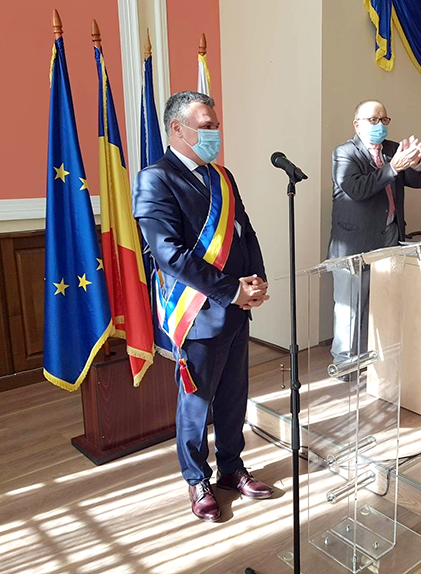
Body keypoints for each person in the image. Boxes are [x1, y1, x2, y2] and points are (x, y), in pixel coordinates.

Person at [132, 91, 272, 522]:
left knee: (233, 397)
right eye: (206, 127)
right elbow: (169, 254)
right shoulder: (155, 179)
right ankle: (196, 479)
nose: (215, 134)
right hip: (195, 312)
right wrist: (231, 290)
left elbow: (245, 232)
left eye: (215, 126)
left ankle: (231, 467)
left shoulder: (222, 177)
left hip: (236, 309)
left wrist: (256, 281)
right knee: (196, 403)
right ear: (178, 129)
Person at [328, 100, 421, 364]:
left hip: (390, 234)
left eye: (384, 120)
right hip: (354, 240)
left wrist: (415, 162)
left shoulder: (393, 149)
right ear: (357, 124)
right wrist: (393, 168)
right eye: (373, 120)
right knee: (350, 306)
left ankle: (377, 360)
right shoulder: (344, 153)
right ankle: (344, 363)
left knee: (384, 300)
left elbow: (418, 180)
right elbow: (357, 189)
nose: (380, 125)